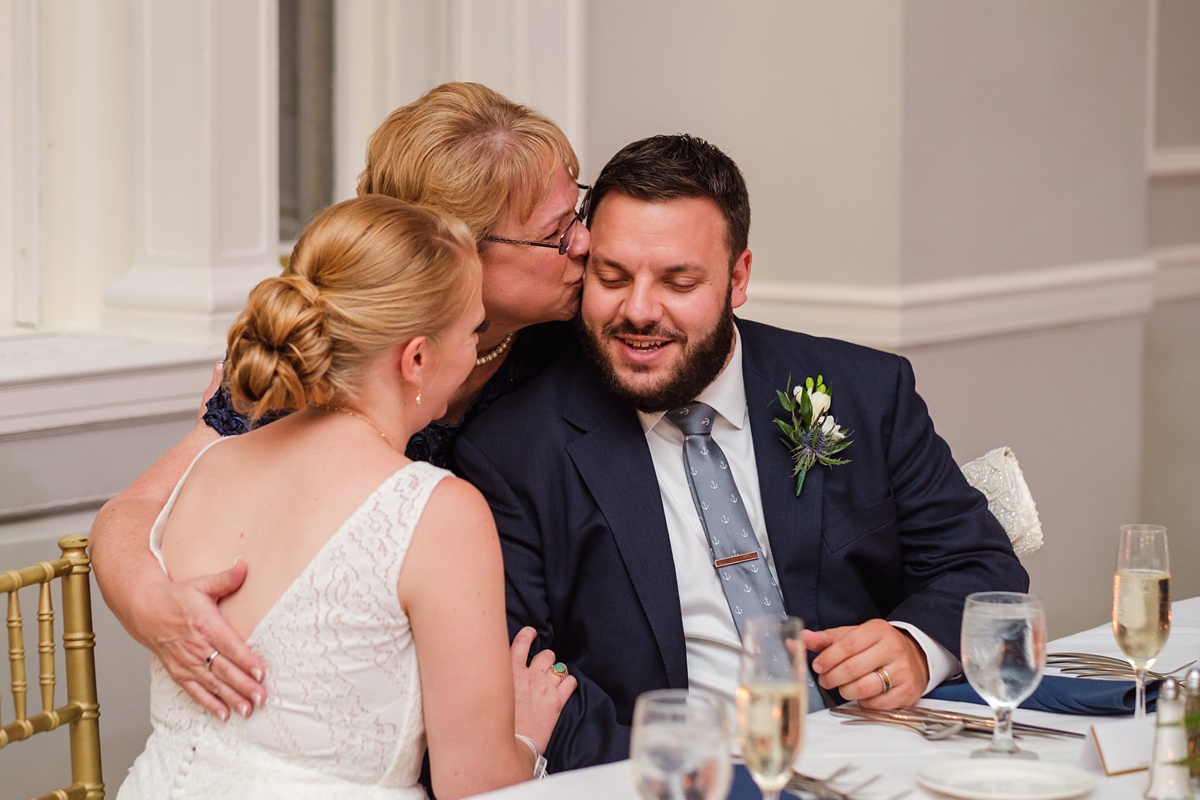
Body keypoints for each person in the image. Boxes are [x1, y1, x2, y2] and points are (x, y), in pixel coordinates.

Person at [454, 134, 1030, 772]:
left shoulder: (863, 391)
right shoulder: (515, 453)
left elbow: (980, 568)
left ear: (739, 278)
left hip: (881, 757)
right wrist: (694, 770)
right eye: (612, 277)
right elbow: (527, 674)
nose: (638, 311)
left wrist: (916, 647)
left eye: (679, 281)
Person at [89, 82, 589, 721]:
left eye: (579, 211)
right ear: (455, 249)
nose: (585, 243)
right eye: (556, 233)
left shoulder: (572, 347)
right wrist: (156, 609)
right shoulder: (327, 357)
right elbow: (128, 513)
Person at [117, 195, 576, 800]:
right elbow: (477, 787)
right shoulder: (438, 511)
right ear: (416, 358)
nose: (474, 353)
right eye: (474, 330)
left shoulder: (207, 466)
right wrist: (525, 734)